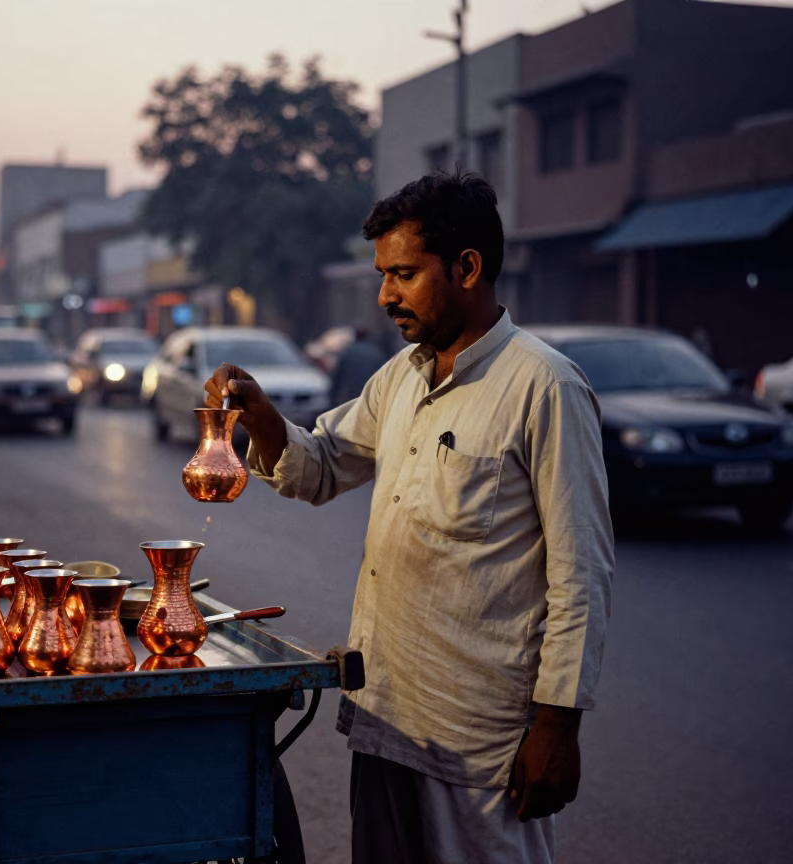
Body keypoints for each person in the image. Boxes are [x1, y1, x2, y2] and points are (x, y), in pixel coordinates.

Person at [204, 172, 614, 863]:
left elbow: (582, 573)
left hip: (480, 736)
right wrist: (263, 418)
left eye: (403, 274)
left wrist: (558, 728)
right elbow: (324, 462)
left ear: (468, 267)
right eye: (383, 275)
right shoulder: (404, 376)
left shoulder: (544, 386)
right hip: (386, 711)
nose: (385, 295)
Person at [329, 327, 388, 406]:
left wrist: (332, 397)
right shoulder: (376, 352)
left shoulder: (348, 352)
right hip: (370, 393)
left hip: (351, 394)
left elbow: (339, 375)